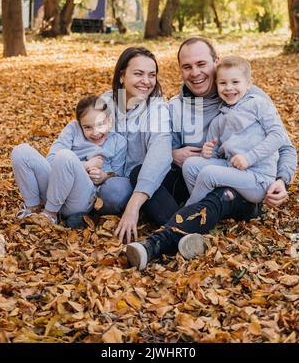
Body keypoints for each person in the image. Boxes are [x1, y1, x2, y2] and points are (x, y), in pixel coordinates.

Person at [125, 37, 297, 270]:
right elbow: (162, 149)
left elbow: (284, 145)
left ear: (216, 62)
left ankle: (159, 241)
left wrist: (282, 180)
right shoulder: (175, 107)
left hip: (240, 187)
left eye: (201, 64)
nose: (195, 73)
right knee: (139, 172)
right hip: (197, 179)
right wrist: (174, 153)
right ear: (180, 71)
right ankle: (189, 232)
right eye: (187, 67)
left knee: (221, 189)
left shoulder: (247, 95)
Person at [183, 55, 290, 205]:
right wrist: (207, 152)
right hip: (232, 169)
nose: (228, 88)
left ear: (248, 84)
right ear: (216, 84)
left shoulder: (258, 104)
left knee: (208, 174)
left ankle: (188, 212)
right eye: (222, 83)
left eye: (235, 82)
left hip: (259, 177)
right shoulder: (218, 120)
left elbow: (279, 136)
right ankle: (208, 207)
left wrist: (249, 157)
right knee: (190, 165)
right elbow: (215, 155)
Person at [97, 47, 176, 244]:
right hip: (98, 177)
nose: (146, 81)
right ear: (122, 76)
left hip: (136, 182)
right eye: (138, 74)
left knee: (116, 191)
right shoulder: (105, 103)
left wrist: (133, 206)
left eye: (152, 75)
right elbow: (82, 141)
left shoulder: (157, 109)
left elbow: (160, 156)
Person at [11, 95, 127, 224]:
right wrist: (85, 165)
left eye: (100, 124)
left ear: (109, 120)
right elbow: (51, 160)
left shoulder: (118, 142)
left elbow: (119, 176)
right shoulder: (72, 129)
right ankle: (33, 208)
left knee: (65, 155)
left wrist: (104, 176)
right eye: (88, 127)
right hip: (53, 189)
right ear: (80, 124)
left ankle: (50, 214)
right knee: (21, 151)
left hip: (79, 198)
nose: (95, 132)